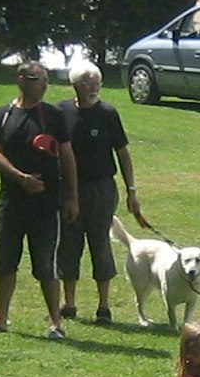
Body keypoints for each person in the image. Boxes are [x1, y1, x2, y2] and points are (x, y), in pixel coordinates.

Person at [0, 59, 77, 338]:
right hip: (11, 202)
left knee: (46, 265)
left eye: (46, 79)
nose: (44, 85)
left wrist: (72, 197)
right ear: (21, 80)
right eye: (39, 80)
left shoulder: (54, 115)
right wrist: (20, 178)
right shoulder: (3, 115)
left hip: (46, 204)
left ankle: (55, 324)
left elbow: (67, 156)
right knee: (5, 262)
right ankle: (1, 318)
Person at [60, 61, 143, 323]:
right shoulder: (61, 111)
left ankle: (104, 305)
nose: (94, 88)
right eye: (88, 84)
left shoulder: (107, 113)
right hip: (69, 189)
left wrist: (131, 190)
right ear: (76, 85)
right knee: (69, 244)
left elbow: (123, 153)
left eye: (97, 83)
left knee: (100, 243)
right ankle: (69, 303)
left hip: (101, 188)